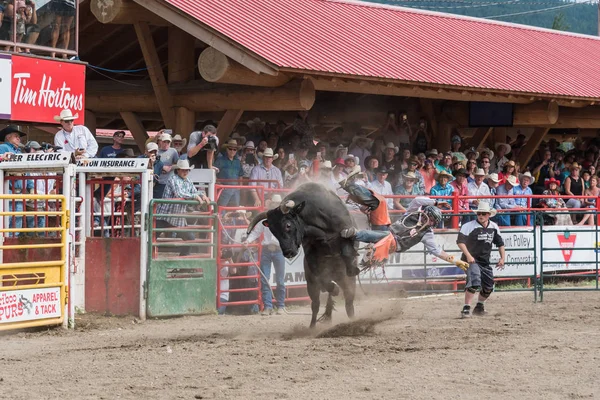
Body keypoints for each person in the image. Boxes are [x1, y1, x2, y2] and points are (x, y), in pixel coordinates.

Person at [340, 197, 468, 271]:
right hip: (388, 234)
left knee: (382, 239)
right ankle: (354, 240)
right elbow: (417, 200)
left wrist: (456, 261)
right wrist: (434, 202)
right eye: (431, 218)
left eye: (434, 221)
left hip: (395, 245)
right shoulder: (412, 213)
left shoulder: (427, 233)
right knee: (378, 237)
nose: (431, 222)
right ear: (426, 214)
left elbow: (437, 250)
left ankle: (355, 235)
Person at [457, 202, 506, 319]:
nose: (481, 216)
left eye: (483, 214)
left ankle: (479, 307)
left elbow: (500, 243)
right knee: (474, 280)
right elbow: (460, 242)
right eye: (479, 213)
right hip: (470, 260)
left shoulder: (493, 227)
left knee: (488, 286)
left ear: (489, 215)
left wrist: (502, 258)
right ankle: (466, 308)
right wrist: (468, 255)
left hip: (484, 261)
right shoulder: (468, 226)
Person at [155, 160, 210, 256]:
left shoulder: (188, 181)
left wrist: (201, 195)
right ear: (178, 170)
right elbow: (179, 193)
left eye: (187, 170)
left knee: (190, 238)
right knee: (151, 237)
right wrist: (195, 196)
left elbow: (194, 191)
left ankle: (182, 263)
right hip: (164, 215)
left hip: (177, 217)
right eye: (183, 170)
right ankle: (146, 260)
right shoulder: (173, 179)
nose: (186, 172)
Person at [243, 195, 286, 316]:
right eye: (275, 203)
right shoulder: (264, 218)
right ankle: (268, 306)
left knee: (280, 280)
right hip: (267, 250)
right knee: (265, 279)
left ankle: (280, 306)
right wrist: (248, 240)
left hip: (278, 250)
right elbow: (256, 232)